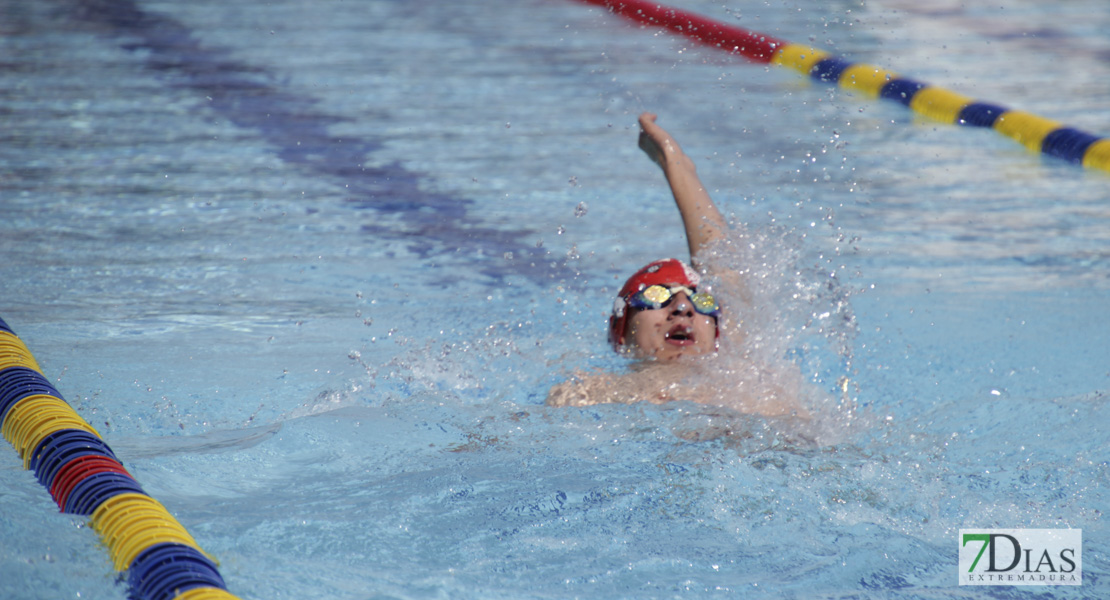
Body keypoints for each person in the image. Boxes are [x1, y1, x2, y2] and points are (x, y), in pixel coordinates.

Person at [546, 113, 806, 418]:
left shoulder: (749, 382)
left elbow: (724, 266)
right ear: (622, 333)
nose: (683, 306)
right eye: (656, 295)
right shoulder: (587, 395)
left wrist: (676, 164)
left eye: (700, 299)